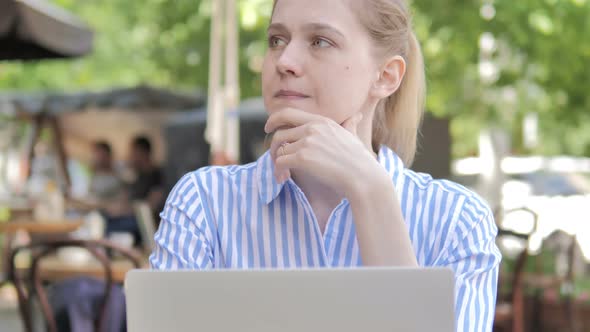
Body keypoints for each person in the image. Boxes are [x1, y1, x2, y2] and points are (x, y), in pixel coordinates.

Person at [150, 0, 501, 331]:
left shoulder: (457, 220)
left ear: (386, 76)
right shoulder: (205, 203)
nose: (284, 60)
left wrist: (371, 192)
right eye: (276, 39)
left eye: (320, 41)